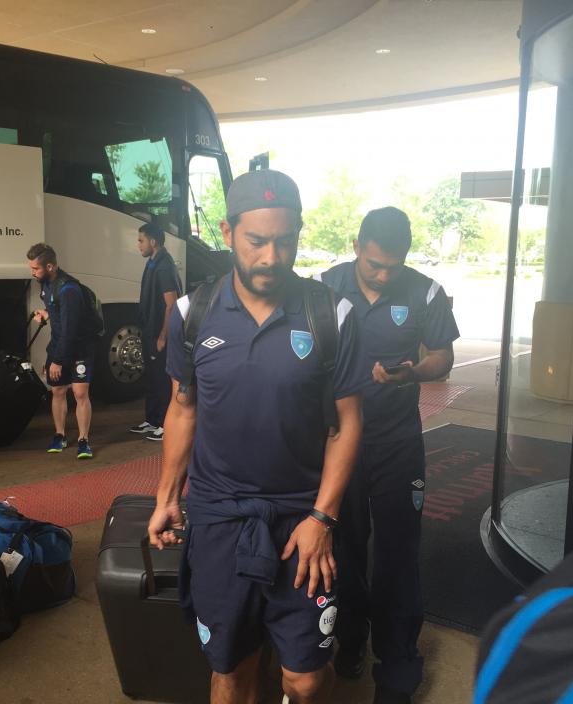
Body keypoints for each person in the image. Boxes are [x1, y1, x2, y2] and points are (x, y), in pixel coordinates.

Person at [148, 169, 366, 704]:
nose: (272, 257)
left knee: (307, 678)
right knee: (231, 672)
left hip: (302, 524)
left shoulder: (330, 314)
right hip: (221, 520)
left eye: (285, 241)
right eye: (257, 241)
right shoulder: (190, 314)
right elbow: (183, 409)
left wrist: (322, 518)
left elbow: (348, 424)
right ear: (227, 232)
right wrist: (166, 498)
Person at [320, 207, 459, 704]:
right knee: (346, 550)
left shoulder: (424, 291)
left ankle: (397, 666)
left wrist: (414, 371)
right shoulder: (325, 286)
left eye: (391, 267)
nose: (382, 274)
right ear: (358, 246)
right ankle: (350, 641)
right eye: (374, 264)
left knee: (398, 554)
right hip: (341, 446)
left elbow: (443, 356)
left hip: (398, 444)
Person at [27, 243, 94, 459]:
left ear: (50, 266)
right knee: (57, 391)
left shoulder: (69, 290)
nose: (33, 273)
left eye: (36, 269)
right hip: (59, 346)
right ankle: (60, 435)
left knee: (80, 393)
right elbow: (59, 313)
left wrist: (57, 361)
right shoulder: (47, 284)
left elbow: (71, 330)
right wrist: (47, 314)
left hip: (79, 348)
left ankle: (83, 440)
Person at [130, 222, 182, 442]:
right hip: (149, 331)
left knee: (161, 380)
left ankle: (163, 424)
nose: (138, 245)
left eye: (141, 240)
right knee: (151, 378)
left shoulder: (164, 266)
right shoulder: (152, 262)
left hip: (159, 334)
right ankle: (152, 420)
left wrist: (163, 336)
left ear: (153, 241)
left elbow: (171, 304)